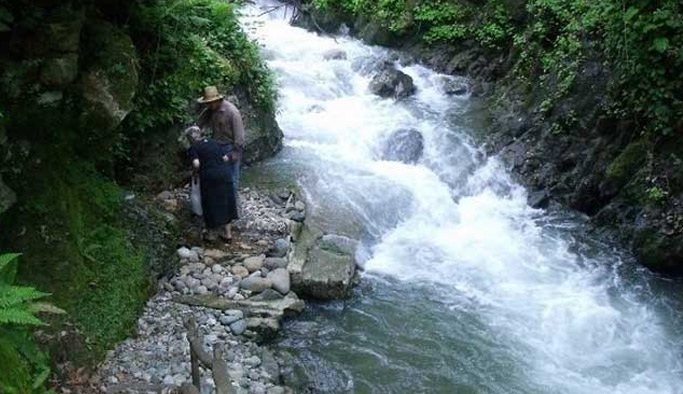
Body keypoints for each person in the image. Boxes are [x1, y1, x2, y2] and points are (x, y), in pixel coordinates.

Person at [188, 128, 238, 242]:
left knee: (210, 203)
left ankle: (211, 235)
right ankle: (227, 234)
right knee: (226, 202)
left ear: (191, 138)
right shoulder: (214, 142)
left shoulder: (194, 148)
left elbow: (196, 163)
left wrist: (195, 173)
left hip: (210, 177)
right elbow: (224, 158)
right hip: (225, 174)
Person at [196, 86, 245, 193]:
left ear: (218, 100)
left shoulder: (232, 112)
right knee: (219, 179)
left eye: (210, 103)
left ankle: (235, 207)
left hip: (230, 148)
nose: (208, 105)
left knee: (232, 180)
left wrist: (235, 153)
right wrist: (197, 132)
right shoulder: (210, 110)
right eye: (207, 103)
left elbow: (240, 136)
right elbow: (200, 123)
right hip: (217, 147)